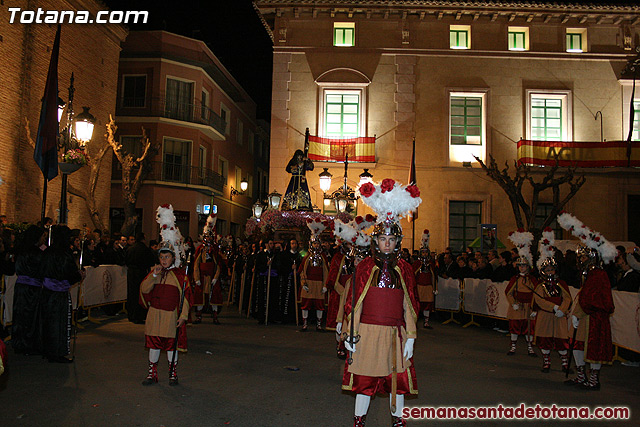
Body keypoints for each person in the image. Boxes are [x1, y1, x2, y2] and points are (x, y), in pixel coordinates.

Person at [341, 178, 421, 427]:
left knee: (397, 380)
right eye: (383, 239)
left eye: (392, 239)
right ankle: (358, 421)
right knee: (364, 381)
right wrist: (350, 333)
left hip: (394, 333)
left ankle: (398, 420)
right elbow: (355, 302)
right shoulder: (365, 266)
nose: (387, 243)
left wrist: (410, 336)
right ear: (376, 241)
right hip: (367, 332)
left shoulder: (404, 269)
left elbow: (409, 304)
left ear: (397, 241)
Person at [557, 211, 616, 390]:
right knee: (577, 346)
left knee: (592, 349)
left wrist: (577, 313)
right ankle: (581, 376)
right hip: (583, 316)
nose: (580, 260)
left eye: (583, 257)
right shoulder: (589, 274)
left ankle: (593, 380)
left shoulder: (598, 275)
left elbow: (593, 298)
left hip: (592, 318)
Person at [140, 204, 191, 386]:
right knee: (153, 344)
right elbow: (144, 290)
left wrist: (183, 316)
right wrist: (153, 276)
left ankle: (172, 373)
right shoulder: (154, 273)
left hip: (171, 315)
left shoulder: (179, 276)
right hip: (155, 314)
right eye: (161, 257)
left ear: (173, 258)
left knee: (171, 345)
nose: (163, 260)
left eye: (167, 257)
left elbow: (185, 298)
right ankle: (152, 373)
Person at [40, 225, 83, 363]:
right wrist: (79, 275)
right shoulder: (64, 253)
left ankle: (47, 350)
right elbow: (69, 273)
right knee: (60, 323)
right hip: (59, 294)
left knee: (48, 321)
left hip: (47, 292)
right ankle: (58, 352)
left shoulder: (47, 251)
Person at [533, 245, 571, 373]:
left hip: (559, 315)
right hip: (546, 315)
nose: (550, 272)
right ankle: (546, 361)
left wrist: (562, 309)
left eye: (552, 270)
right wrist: (553, 307)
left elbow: (567, 298)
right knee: (545, 339)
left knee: (561, 339)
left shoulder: (561, 283)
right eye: (547, 270)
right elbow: (539, 300)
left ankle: (565, 362)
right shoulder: (540, 285)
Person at [11, 225, 46, 355]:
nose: (44, 239)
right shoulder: (36, 253)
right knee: (30, 317)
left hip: (21, 287)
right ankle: (28, 344)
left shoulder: (21, 250)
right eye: (43, 236)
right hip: (32, 288)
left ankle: (19, 343)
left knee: (20, 315)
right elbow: (42, 270)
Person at [505, 230, 537, 357]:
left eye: (524, 266)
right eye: (520, 266)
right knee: (515, 326)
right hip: (518, 306)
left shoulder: (532, 280)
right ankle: (513, 347)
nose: (522, 268)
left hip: (529, 306)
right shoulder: (515, 279)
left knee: (529, 328)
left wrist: (535, 307)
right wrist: (513, 303)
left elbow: (537, 294)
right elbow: (508, 292)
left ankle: (530, 348)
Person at [299, 220, 329, 331]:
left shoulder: (323, 257)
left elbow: (326, 272)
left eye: (317, 243)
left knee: (319, 305)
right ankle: (305, 324)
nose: (316, 245)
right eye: (314, 243)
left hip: (319, 284)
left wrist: (325, 285)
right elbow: (303, 271)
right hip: (309, 284)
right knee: (305, 304)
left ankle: (319, 324)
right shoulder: (307, 256)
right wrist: (303, 283)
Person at [192, 214, 223, 324]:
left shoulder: (215, 249)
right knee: (199, 296)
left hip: (212, 276)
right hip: (201, 276)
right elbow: (196, 264)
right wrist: (196, 278)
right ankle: (199, 316)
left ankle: (215, 316)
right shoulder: (200, 249)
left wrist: (215, 277)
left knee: (214, 295)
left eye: (210, 237)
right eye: (206, 237)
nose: (208, 239)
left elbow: (218, 264)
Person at [125, 232, 156, 324]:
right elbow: (151, 261)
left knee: (131, 294)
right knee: (140, 293)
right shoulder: (145, 249)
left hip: (131, 273)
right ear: (144, 238)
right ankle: (139, 315)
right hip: (141, 272)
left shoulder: (130, 249)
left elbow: (126, 260)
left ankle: (131, 315)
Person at [412, 230, 437, 329]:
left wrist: (435, 287)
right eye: (423, 252)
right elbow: (413, 274)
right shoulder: (417, 263)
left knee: (428, 304)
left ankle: (426, 322)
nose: (425, 254)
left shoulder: (431, 263)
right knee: (418, 304)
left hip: (428, 286)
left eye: (426, 252)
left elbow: (434, 275)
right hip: (419, 286)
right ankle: (415, 322)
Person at [278, 239, 302, 324]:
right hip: (288, 279)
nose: (294, 245)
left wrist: (297, 268)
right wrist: (290, 268)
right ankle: (286, 317)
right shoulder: (285, 255)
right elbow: (281, 267)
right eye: (292, 243)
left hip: (296, 280)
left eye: (295, 243)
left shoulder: (299, 255)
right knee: (287, 298)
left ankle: (296, 317)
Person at [254, 239, 278, 324]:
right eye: (270, 243)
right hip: (263, 278)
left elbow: (278, 265)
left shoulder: (275, 254)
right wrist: (266, 265)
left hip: (272, 278)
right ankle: (261, 317)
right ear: (266, 244)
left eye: (273, 243)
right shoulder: (261, 254)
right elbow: (258, 266)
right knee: (262, 297)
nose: (272, 245)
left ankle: (271, 317)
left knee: (272, 297)